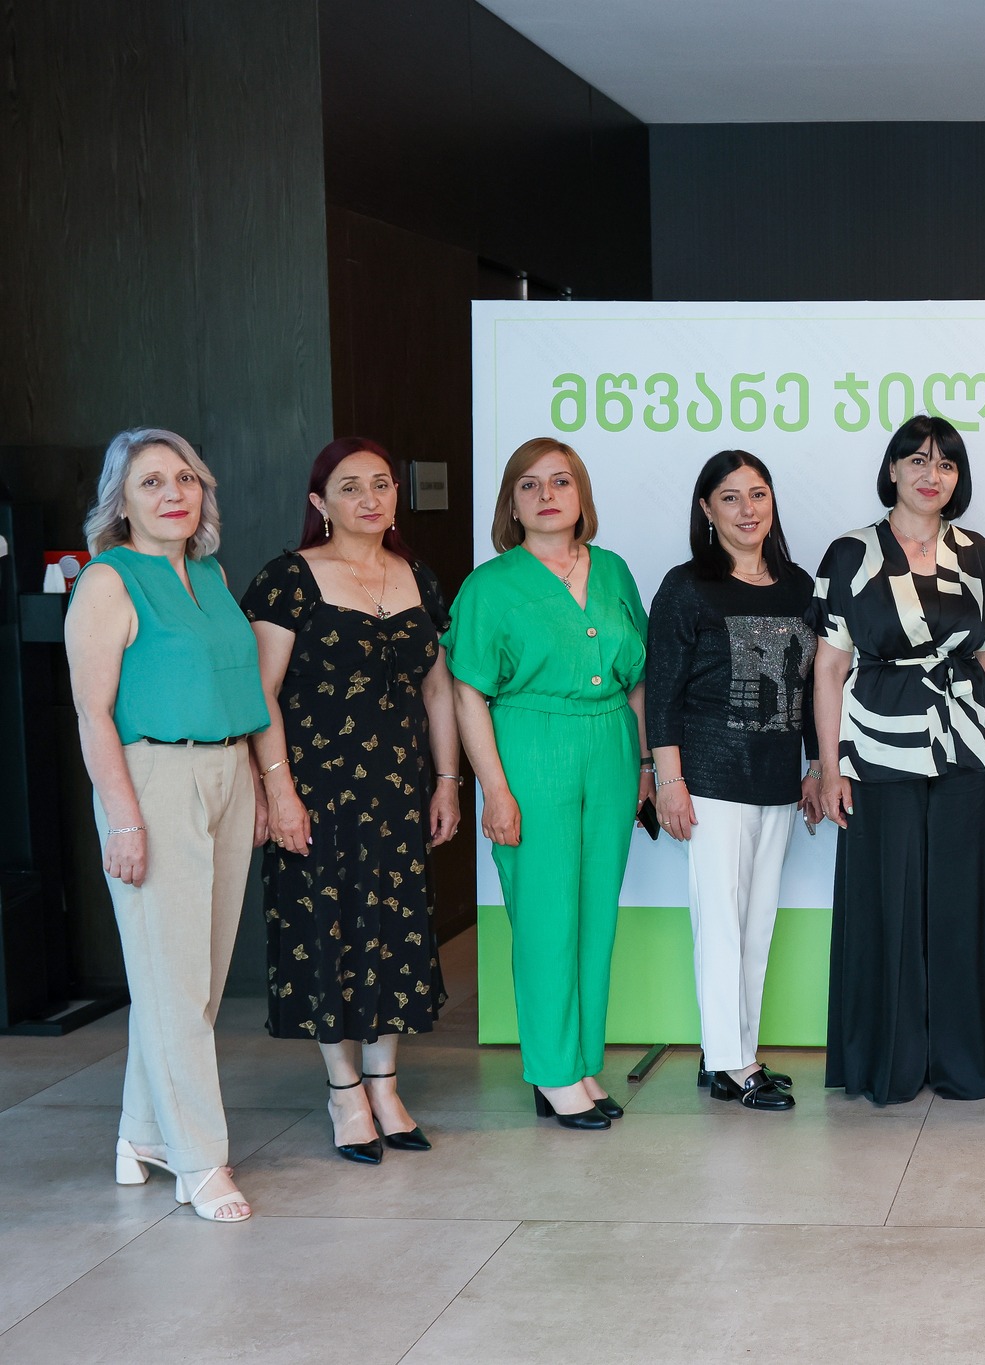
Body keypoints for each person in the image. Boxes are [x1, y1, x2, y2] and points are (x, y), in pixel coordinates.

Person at [67, 428, 269, 1222]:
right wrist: (124, 819)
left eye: (184, 478)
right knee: (174, 983)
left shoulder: (210, 574)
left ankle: (142, 1133)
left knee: (192, 979)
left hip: (227, 772)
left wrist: (257, 781)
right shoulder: (107, 581)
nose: (173, 493)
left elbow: (239, 683)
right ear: (120, 501)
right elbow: (92, 714)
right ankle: (199, 1160)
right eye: (150, 481)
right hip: (152, 778)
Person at [243, 437, 460, 1164]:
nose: (370, 498)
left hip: (397, 792)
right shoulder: (288, 578)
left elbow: (437, 687)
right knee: (325, 935)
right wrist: (279, 791)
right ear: (320, 503)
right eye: (349, 486)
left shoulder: (418, 576)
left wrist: (447, 779)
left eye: (382, 484)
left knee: (395, 935)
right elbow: (262, 694)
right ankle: (344, 1093)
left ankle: (386, 1086)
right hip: (317, 792)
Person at [811, 415, 985, 1105]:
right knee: (886, 905)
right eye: (919, 461)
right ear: (893, 469)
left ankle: (966, 1062)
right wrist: (830, 766)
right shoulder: (851, 553)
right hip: (877, 747)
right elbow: (829, 665)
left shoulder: (978, 553)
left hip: (969, 745)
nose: (933, 475)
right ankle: (889, 1063)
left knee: (963, 907)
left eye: (947, 464)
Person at [444, 437, 652, 1130]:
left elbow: (638, 676)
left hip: (611, 747)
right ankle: (553, 1070)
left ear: (581, 494)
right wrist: (495, 790)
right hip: (531, 747)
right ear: (511, 503)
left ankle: (582, 1062)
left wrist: (644, 764)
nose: (547, 495)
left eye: (561, 481)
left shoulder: (613, 570)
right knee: (543, 916)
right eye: (529, 485)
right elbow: (468, 691)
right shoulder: (490, 585)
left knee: (595, 915)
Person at [646, 450, 822, 1113]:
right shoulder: (687, 586)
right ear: (706, 509)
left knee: (755, 925)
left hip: (777, 781)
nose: (747, 510)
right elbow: (662, 692)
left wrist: (815, 765)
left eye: (758, 494)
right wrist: (669, 780)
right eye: (730, 497)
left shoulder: (798, 585)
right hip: (709, 782)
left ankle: (730, 1051)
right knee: (720, 924)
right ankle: (733, 1063)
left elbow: (813, 688)